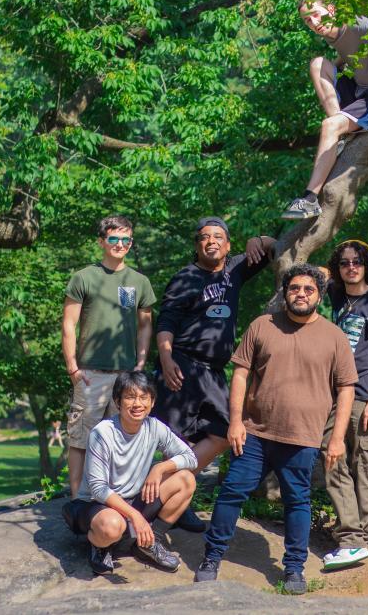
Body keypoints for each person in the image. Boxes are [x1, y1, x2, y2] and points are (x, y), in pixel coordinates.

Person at [194, 264, 357, 595]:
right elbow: (240, 374)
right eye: (294, 288)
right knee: (232, 491)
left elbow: (346, 389)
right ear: (285, 292)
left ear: (320, 295)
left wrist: (337, 438)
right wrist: (235, 421)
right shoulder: (262, 325)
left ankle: (294, 568)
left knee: (297, 501)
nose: (301, 294)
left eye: (309, 289)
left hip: (303, 437)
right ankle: (211, 558)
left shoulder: (334, 336)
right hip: (254, 432)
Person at [152, 217, 276, 532]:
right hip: (183, 364)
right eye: (205, 237)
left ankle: (170, 491)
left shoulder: (235, 269)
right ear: (197, 245)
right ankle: (174, 503)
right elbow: (166, 321)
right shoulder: (185, 278)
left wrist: (258, 239)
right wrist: (165, 358)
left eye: (218, 237)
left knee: (223, 433)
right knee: (177, 440)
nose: (212, 242)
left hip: (215, 371)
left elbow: (276, 246)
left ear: (228, 244)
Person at [62, 371, 198, 575]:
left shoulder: (154, 427)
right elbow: (99, 489)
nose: (137, 404)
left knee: (186, 479)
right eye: (130, 397)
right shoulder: (102, 433)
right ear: (118, 401)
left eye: (144, 397)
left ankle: (149, 542)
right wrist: (135, 516)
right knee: (111, 527)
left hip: (133, 498)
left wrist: (160, 468)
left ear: (152, 402)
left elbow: (190, 458)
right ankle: (99, 544)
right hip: (98, 504)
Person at [281, 0, 368, 220]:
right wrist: (337, 67)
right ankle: (341, 130)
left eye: (316, 14)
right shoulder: (332, 34)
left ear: (331, 9)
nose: (313, 23)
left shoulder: (356, 24)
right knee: (318, 64)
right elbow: (349, 51)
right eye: (307, 20)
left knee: (329, 126)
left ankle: (309, 199)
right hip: (359, 89)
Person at [316, 239, 368, 570]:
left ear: (367, 266)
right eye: (345, 262)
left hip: (365, 396)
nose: (352, 267)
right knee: (332, 457)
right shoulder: (337, 297)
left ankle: (356, 538)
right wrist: (331, 267)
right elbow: (317, 272)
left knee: (363, 465)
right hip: (335, 395)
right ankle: (353, 533)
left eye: (358, 262)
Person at [62, 215, 157, 499]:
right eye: (113, 238)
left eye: (126, 239)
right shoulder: (83, 277)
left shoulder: (139, 282)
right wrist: (73, 368)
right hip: (89, 373)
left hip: (125, 377)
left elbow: (145, 325)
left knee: (122, 440)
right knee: (81, 439)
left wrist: (140, 362)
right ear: (102, 241)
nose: (120, 244)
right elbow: (68, 324)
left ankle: (116, 499)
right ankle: (79, 501)